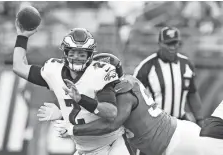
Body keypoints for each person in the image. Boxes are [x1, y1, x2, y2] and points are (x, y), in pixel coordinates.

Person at [40, 53, 204, 155]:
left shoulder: (124, 92)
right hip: (169, 140)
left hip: (176, 141)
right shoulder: (121, 86)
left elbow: (111, 124)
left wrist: (72, 129)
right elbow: (92, 113)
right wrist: (62, 113)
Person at [13, 19, 131, 155]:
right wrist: (22, 37)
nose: (76, 57)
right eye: (73, 53)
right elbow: (18, 67)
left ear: (90, 55)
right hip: (83, 149)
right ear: (65, 52)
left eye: (82, 53)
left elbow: (111, 112)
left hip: (111, 145)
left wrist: (82, 100)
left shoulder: (98, 73)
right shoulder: (54, 71)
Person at [133, 26, 204, 125]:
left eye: (175, 43)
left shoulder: (186, 64)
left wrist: (200, 119)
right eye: (168, 44)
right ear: (160, 44)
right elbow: (135, 98)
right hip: (155, 124)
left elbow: (192, 93)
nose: (172, 47)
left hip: (179, 121)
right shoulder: (146, 67)